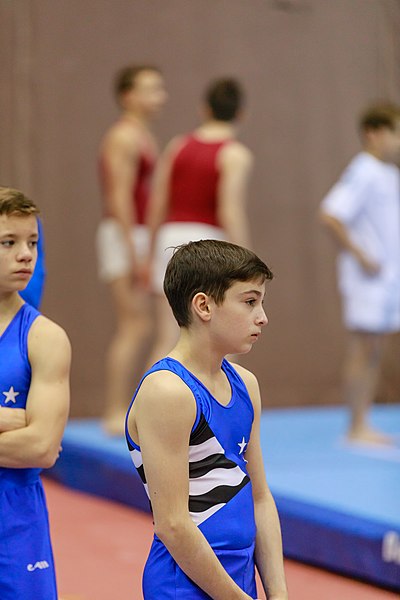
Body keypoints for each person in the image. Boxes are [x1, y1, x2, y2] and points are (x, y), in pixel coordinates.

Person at [126, 240, 288, 600]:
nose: (262, 316)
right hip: (183, 585)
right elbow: (173, 524)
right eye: (250, 302)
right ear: (203, 305)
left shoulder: (246, 384)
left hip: (239, 580)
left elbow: (260, 499)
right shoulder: (168, 391)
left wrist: (278, 594)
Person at [145, 77, 253, 364]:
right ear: (241, 114)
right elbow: (230, 209)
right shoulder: (235, 154)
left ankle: (148, 404)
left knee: (167, 335)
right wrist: (246, 259)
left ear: (204, 109)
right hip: (209, 241)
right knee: (225, 334)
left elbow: (157, 203)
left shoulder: (177, 146)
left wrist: (149, 251)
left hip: (169, 236)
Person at [0, 187, 71, 599]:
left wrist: (32, 432)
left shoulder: (45, 338)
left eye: (32, 243)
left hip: (15, 520)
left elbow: (42, 447)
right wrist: (12, 420)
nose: (26, 255)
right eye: (8, 243)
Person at [319, 102, 400, 444]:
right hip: (367, 278)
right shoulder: (364, 169)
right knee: (363, 348)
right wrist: (361, 255)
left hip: (387, 278)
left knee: (375, 349)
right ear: (374, 133)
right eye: (396, 133)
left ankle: (362, 421)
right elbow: (331, 215)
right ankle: (355, 426)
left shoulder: (389, 172)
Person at [96, 64, 167, 435]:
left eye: (161, 89)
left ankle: (130, 407)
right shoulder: (123, 137)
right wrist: (134, 250)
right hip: (124, 233)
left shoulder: (142, 134)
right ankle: (114, 410)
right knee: (134, 325)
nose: (161, 96)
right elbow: (118, 195)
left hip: (136, 234)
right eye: (151, 89)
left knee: (143, 325)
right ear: (128, 95)